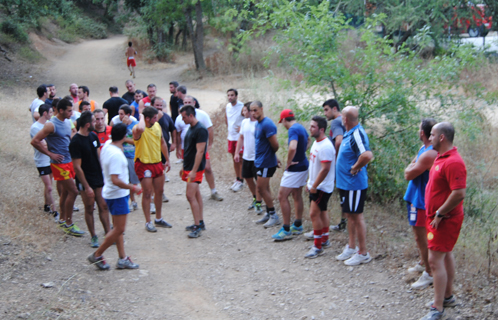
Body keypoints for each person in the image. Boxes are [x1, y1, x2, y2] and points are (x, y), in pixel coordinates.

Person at [420, 122, 466, 320]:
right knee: (445, 255)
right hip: (437, 218)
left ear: (441, 137)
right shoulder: (440, 156)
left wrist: (439, 213)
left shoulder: (454, 162)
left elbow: (459, 193)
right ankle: (447, 296)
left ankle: (437, 308)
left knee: (434, 261)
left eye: (431, 135)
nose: (428, 138)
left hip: (444, 219)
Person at [88, 123, 141, 270]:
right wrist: (133, 187)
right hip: (117, 195)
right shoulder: (116, 155)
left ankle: (122, 258)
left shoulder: (107, 147)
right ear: (124, 136)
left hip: (111, 193)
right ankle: (97, 255)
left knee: (118, 228)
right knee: (118, 229)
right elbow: (116, 180)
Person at [31, 99, 84, 236]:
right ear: (60, 110)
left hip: (69, 161)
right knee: (73, 191)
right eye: (69, 110)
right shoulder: (51, 125)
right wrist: (50, 154)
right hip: (59, 164)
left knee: (66, 192)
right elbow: (35, 141)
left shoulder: (68, 122)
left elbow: (69, 139)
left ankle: (62, 220)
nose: (71, 113)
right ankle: (69, 223)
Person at [335, 106, 374, 266]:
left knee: (357, 216)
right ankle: (351, 247)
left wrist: (355, 167)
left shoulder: (356, 133)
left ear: (345, 119)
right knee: (350, 215)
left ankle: (363, 252)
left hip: (354, 185)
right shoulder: (349, 133)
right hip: (346, 185)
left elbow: (367, 155)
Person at [403, 118, 438, 290]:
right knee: (418, 234)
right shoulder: (423, 148)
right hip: (414, 196)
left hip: (422, 200)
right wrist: (412, 166)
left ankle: (429, 273)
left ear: (422, 132)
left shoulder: (430, 152)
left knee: (422, 236)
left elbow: (409, 174)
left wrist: (412, 167)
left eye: (419, 129)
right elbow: (411, 167)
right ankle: (423, 262)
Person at [70, 111, 111, 248]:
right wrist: (86, 186)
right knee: (89, 207)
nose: (96, 123)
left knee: (103, 205)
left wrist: (105, 175)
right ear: (87, 124)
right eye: (94, 121)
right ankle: (93, 236)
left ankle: (108, 233)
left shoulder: (93, 136)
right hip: (85, 180)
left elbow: (99, 157)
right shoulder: (76, 141)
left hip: (98, 178)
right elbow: (77, 167)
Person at [272, 109, 310, 240]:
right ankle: (298, 225)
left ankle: (286, 228)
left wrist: (289, 162)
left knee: (282, 196)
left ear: (283, 120)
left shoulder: (293, 129)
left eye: (281, 122)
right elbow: (308, 140)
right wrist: (302, 153)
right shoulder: (301, 127)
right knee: (296, 194)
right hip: (304, 164)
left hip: (295, 168)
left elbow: (292, 147)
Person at [133, 106, 172, 232]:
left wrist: (167, 160)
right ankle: (148, 221)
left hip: (157, 162)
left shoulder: (157, 126)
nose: (157, 119)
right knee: (147, 193)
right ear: (147, 118)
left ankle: (159, 219)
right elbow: (140, 128)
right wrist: (141, 116)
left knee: (159, 191)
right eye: (154, 117)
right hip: (144, 164)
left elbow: (162, 143)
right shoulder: (138, 128)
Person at [304, 116, 336, 258]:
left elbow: (325, 169)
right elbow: (314, 166)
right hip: (316, 184)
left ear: (321, 129)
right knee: (322, 211)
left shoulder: (326, 146)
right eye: (310, 126)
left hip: (322, 186)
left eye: (313, 127)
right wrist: (309, 182)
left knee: (313, 213)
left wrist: (315, 185)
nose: (310, 129)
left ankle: (317, 246)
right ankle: (325, 239)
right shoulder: (317, 143)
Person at [183, 95, 223, 201]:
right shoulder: (181, 116)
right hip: (188, 148)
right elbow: (177, 132)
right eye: (185, 102)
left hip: (200, 147)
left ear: (194, 103)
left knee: (207, 168)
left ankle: (213, 191)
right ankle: (196, 194)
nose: (187, 104)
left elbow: (210, 129)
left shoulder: (202, 115)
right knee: (190, 172)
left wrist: (210, 144)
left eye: (189, 102)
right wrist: (178, 147)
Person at [179, 105, 208, 238]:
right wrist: (184, 168)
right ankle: (200, 222)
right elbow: (189, 150)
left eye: (184, 117)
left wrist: (193, 170)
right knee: (196, 195)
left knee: (190, 196)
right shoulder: (191, 128)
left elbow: (200, 151)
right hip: (189, 167)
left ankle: (197, 226)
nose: (182, 119)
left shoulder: (201, 130)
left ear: (191, 115)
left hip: (195, 169)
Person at [250, 101, 280, 228]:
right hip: (260, 161)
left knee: (261, 188)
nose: (253, 113)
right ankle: (268, 213)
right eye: (251, 110)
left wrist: (272, 157)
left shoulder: (267, 124)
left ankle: (274, 215)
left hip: (266, 162)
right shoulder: (258, 123)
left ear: (262, 109)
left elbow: (275, 145)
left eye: (255, 110)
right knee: (264, 188)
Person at [234, 102, 263, 214]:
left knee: (260, 182)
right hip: (246, 157)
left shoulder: (259, 124)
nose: (244, 112)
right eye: (244, 110)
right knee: (247, 178)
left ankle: (260, 203)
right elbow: (241, 137)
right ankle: (255, 198)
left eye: (246, 110)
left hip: (258, 157)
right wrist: (237, 153)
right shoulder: (244, 122)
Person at [322, 99, 347, 232]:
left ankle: (344, 224)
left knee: (343, 192)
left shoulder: (336, 122)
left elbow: (338, 141)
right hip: (346, 163)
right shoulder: (344, 120)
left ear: (335, 109)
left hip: (340, 164)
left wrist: (336, 160)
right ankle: (344, 222)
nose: (325, 113)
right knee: (344, 192)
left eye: (327, 110)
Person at [30, 104, 58, 219]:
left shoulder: (49, 125)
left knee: (49, 185)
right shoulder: (35, 127)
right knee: (49, 186)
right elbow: (43, 144)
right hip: (41, 160)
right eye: (50, 112)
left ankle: (47, 205)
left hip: (50, 159)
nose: (52, 114)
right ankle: (55, 211)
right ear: (45, 113)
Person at [153, 96, 176, 201]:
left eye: (160, 105)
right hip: (152, 150)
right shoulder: (147, 119)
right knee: (153, 173)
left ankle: (161, 193)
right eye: (156, 105)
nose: (159, 107)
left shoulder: (166, 117)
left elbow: (173, 130)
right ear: (152, 105)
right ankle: (153, 195)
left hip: (164, 148)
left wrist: (174, 143)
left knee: (161, 172)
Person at [120, 106, 140, 211]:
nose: (120, 116)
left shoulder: (135, 126)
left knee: (133, 181)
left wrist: (125, 139)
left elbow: (137, 141)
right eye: (119, 114)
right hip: (123, 156)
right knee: (126, 181)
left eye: (122, 114)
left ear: (128, 115)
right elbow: (118, 139)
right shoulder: (120, 126)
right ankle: (132, 201)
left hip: (133, 156)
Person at [225, 88, 245, 192]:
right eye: (228, 95)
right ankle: (237, 179)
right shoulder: (227, 106)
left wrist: (242, 128)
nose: (230, 97)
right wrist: (229, 129)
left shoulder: (242, 107)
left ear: (236, 96)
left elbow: (248, 118)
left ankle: (241, 180)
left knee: (240, 159)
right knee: (234, 158)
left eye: (232, 95)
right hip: (231, 137)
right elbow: (226, 118)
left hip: (239, 137)